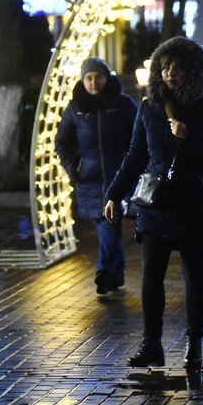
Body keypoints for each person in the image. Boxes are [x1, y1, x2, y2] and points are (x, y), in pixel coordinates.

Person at [105, 37, 203, 372]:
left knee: (195, 277)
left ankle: (194, 342)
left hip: (195, 205)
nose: (170, 73)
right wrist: (113, 194)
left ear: (191, 71)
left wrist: (190, 135)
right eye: (164, 67)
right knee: (150, 276)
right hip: (155, 205)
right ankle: (152, 343)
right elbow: (135, 156)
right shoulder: (149, 108)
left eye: (177, 67)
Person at [56, 57, 138, 295]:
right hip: (89, 180)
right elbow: (62, 143)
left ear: (107, 78)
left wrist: (132, 165)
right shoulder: (76, 108)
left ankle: (104, 271)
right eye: (89, 78)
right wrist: (74, 168)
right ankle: (115, 274)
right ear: (83, 80)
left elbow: (138, 136)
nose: (93, 82)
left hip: (118, 177)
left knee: (108, 223)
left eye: (98, 77)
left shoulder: (123, 104)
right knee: (107, 226)